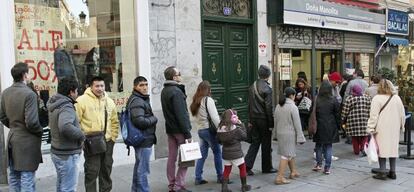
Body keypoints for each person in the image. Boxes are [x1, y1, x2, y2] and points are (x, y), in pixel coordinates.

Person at [0, 62, 43, 192]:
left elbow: (2, 117)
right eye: (28, 73)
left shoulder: (5, 93)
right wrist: (40, 131)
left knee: (14, 176)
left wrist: (14, 126)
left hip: (12, 138)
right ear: (25, 75)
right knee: (27, 178)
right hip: (27, 141)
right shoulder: (29, 94)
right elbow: (31, 122)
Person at [75, 76, 119, 192]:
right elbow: (76, 122)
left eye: (102, 86)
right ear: (91, 86)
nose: (100, 88)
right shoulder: (81, 101)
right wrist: (82, 139)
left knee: (106, 170)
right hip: (91, 143)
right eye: (97, 86)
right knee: (92, 172)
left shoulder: (109, 101)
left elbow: (114, 121)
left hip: (108, 142)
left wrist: (113, 138)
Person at [48, 77, 85, 192]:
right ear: (71, 92)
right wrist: (81, 135)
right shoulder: (66, 106)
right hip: (67, 154)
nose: (77, 93)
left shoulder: (55, 103)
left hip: (58, 151)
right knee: (68, 188)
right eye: (77, 90)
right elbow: (65, 126)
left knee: (61, 186)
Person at [161, 66, 193, 192]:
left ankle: (172, 184)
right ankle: (178, 185)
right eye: (179, 73)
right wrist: (187, 133)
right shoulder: (176, 92)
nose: (181, 75)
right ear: (174, 77)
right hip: (180, 130)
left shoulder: (165, 90)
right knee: (187, 157)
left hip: (170, 130)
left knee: (171, 158)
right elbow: (181, 115)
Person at [367, 79, 405, 180]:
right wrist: (402, 126)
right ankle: (393, 172)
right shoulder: (397, 98)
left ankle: (382, 171)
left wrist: (370, 128)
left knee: (381, 149)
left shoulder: (377, 98)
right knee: (393, 149)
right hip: (394, 127)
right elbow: (402, 114)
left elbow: (373, 116)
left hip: (381, 127)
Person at [127, 76, 158, 192]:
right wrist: (153, 119)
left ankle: (135, 189)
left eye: (146, 84)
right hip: (143, 138)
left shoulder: (140, 98)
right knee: (143, 170)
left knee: (139, 167)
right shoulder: (138, 100)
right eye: (141, 85)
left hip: (143, 137)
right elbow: (139, 121)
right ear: (135, 87)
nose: (145, 87)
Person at [189, 81, 223, 185]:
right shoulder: (208, 100)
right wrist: (220, 128)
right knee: (217, 152)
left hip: (201, 130)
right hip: (209, 130)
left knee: (202, 154)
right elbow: (214, 117)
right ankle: (220, 177)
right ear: (208, 90)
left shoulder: (196, 100)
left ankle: (198, 177)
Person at [245, 65, 276, 175]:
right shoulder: (267, 89)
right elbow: (268, 108)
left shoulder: (252, 86)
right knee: (266, 144)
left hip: (253, 119)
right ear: (268, 75)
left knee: (255, 143)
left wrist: (249, 119)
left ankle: (247, 166)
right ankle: (267, 167)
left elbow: (249, 105)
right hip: (263, 120)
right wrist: (271, 124)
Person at [274, 87, 306, 185]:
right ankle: (279, 177)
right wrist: (301, 137)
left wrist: (275, 134)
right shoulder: (293, 107)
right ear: (292, 95)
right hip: (289, 134)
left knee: (289, 153)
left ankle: (293, 171)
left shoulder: (278, 106)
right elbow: (297, 124)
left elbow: (275, 121)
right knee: (286, 155)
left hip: (280, 133)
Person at [216, 109, 251, 192]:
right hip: (236, 154)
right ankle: (244, 186)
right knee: (242, 168)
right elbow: (245, 136)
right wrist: (241, 124)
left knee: (227, 170)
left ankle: (224, 188)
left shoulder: (220, 129)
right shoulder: (236, 130)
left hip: (226, 154)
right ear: (233, 118)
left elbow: (218, 141)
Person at [312, 81, 340, 175]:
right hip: (330, 126)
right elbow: (337, 114)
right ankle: (327, 168)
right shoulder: (333, 100)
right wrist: (339, 126)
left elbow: (312, 112)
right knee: (328, 146)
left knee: (318, 146)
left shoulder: (316, 99)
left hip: (319, 125)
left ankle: (318, 164)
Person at [341, 84, 371, 156]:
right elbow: (370, 109)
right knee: (365, 135)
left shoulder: (349, 99)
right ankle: (363, 148)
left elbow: (345, 111)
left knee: (354, 137)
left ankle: (356, 150)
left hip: (353, 122)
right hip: (364, 120)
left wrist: (342, 119)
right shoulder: (367, 98)